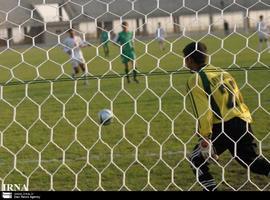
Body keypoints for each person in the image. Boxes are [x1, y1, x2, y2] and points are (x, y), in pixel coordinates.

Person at [183, 42, 270, 191]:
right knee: (252, 161)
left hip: (223, 126)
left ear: (190, 60)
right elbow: (239, 97)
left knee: (196, 159)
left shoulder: (196, 79)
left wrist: (205, 137)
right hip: (242, 120)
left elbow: (204, 112)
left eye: (185, 59)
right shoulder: (224, 73)